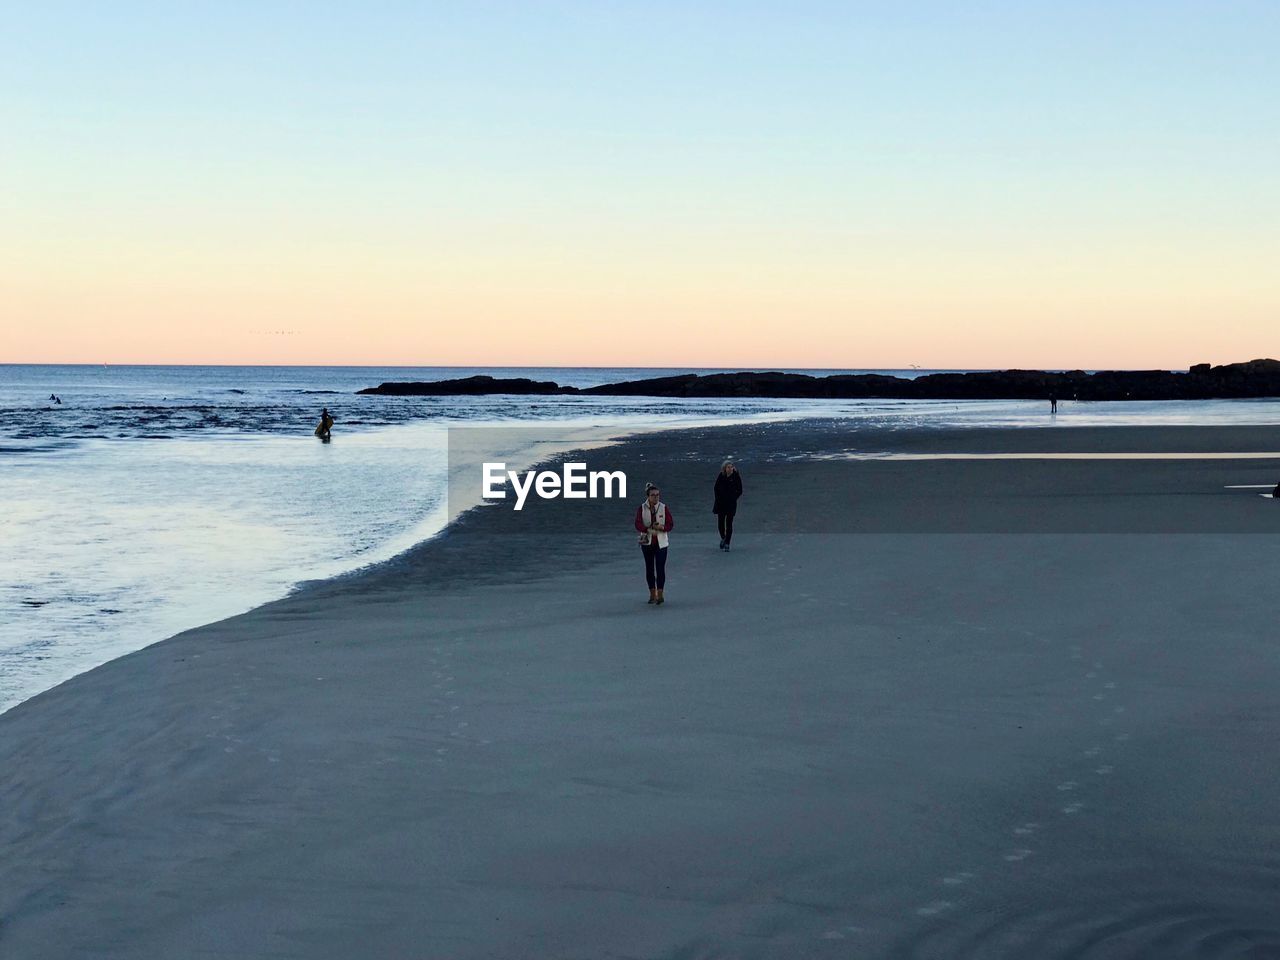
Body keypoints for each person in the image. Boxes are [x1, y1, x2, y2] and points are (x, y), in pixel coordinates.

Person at [634, 482, 674, 605]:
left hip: (661, 543)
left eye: (657, 495)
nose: (656, 497)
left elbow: (670, 524)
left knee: (660, 568)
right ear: (648, 496)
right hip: (646, 542)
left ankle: (660, 594)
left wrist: (662, 527)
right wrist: (648, 529)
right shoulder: (642, 508)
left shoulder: (663, 507)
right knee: (649, 568)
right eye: (653, 495)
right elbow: (637, 524)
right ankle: (652, 594)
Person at [713, 460, 743, 550]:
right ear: (724, 468)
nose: (730, 469)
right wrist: (718, 499)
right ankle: (723, 537)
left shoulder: (736, 476)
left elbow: (740, 489)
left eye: (731, 467)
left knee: (729, 523)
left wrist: (734, 497)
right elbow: (716, 488)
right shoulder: (721, 476)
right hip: (721, 504)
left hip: (731, 504)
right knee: (720, 524)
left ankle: (727, 543)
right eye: (728, 467)